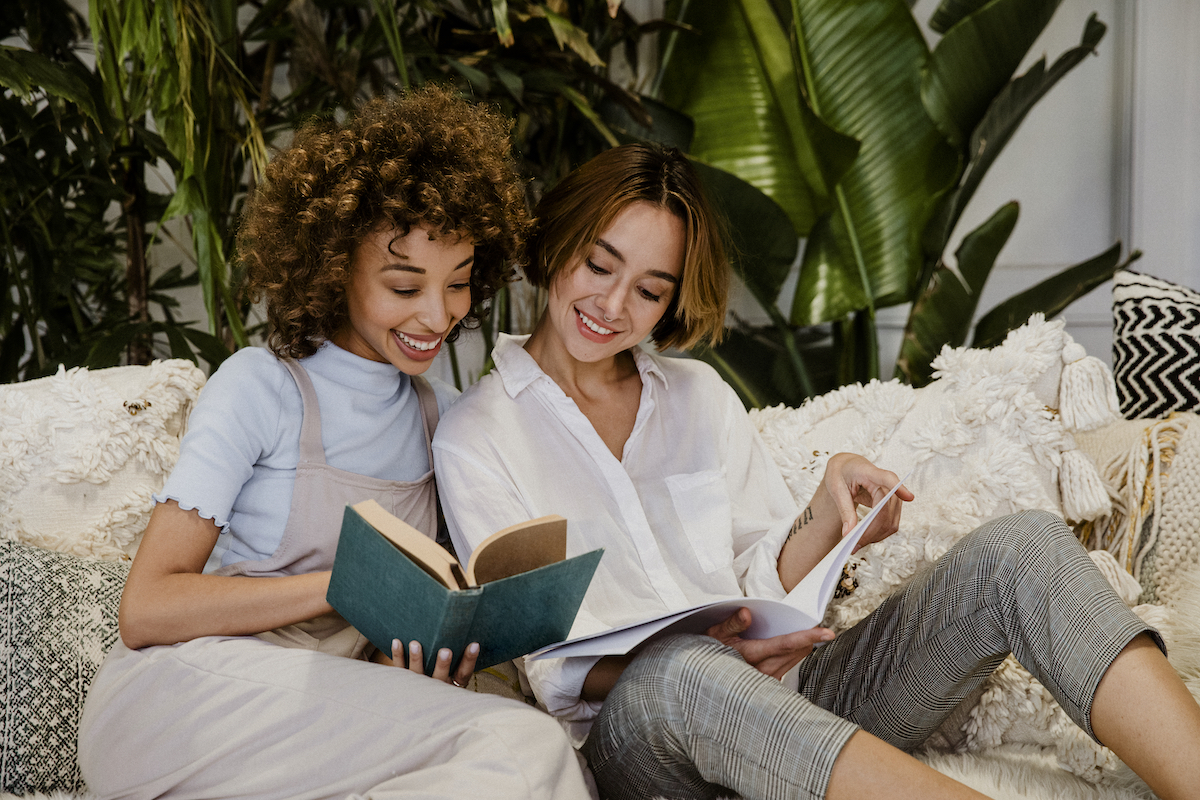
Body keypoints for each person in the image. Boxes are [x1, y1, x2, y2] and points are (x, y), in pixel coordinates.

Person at [431, 142, 1200, 800]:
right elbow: (546, 660)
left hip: (797, 705)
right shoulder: (478, 435)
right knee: (680, 670)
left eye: (649, 290)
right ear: (560, 241)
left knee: (1022, 549)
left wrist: (826, 516)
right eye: (599, 265)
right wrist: (710, 659)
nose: (612, 303)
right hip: (641, 743)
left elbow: (761, 580)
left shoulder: (697, 396)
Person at [76, 86, 592, 800]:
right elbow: (147, 611)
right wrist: (344, 589)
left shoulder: (440, 419)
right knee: (518, 744)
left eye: (460, 284)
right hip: (185, 697)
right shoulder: (260, 388)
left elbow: (366, 678)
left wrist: (416, 662)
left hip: (313, 712)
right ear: (333, 263)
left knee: (501, 764)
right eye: (404, 284)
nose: (437, 315)